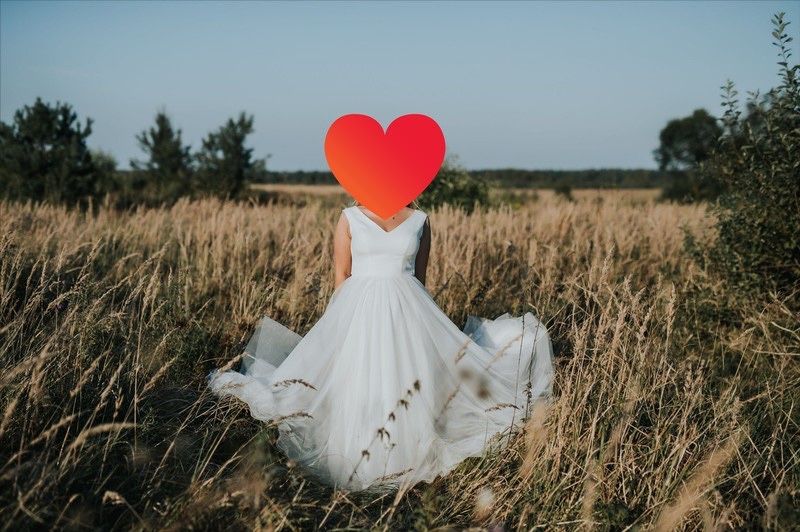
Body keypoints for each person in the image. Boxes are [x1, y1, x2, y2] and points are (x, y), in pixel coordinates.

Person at [207, 199, 554, 493]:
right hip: (358, 306)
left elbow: (420, 278)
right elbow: (341, 274)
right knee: (360, 375)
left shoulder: (420, 219)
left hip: (407, 306)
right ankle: (356, 452)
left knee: (407, 375)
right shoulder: (350, 216)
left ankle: (405, 453)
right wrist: (342, 326)